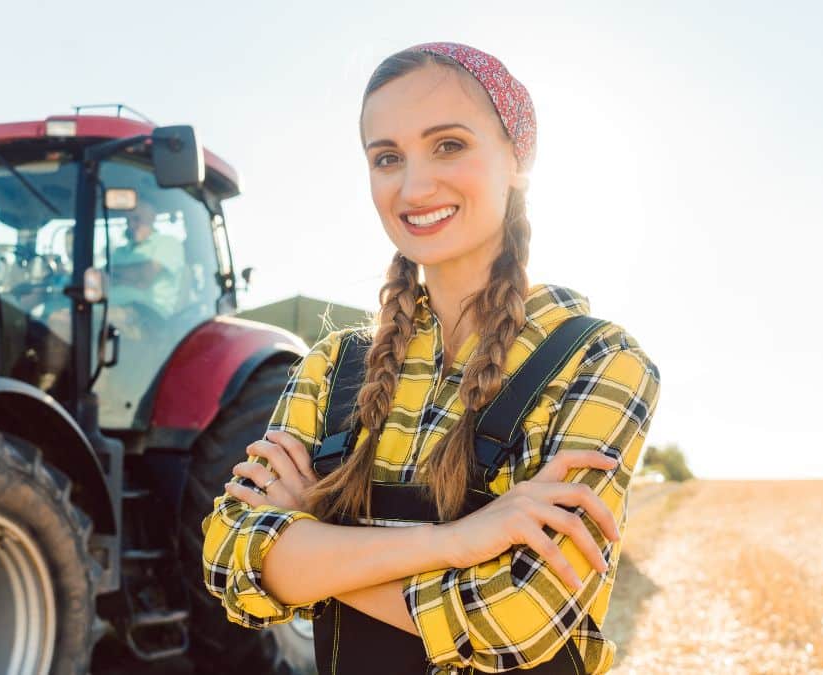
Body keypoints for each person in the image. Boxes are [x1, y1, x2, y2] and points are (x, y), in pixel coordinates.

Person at [201, 42, 661, 674]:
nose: (415, 186)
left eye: (449, 145)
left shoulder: (598, 361)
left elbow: (516, 618)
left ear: (518, 157)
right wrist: (455, 542)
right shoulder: (334, 366)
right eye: (387, 157)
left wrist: (310, 549)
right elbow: (228, 559)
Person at [108, 200, 185, 317]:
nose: (131, 225)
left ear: (152, 218)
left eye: (137, 219)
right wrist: (132, 278)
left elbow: (144, 276)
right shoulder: (119, 251)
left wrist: (118, 275)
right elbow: (104, 278)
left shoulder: (168, 243)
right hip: (112, 309)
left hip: (148, 316)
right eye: (128, 220)